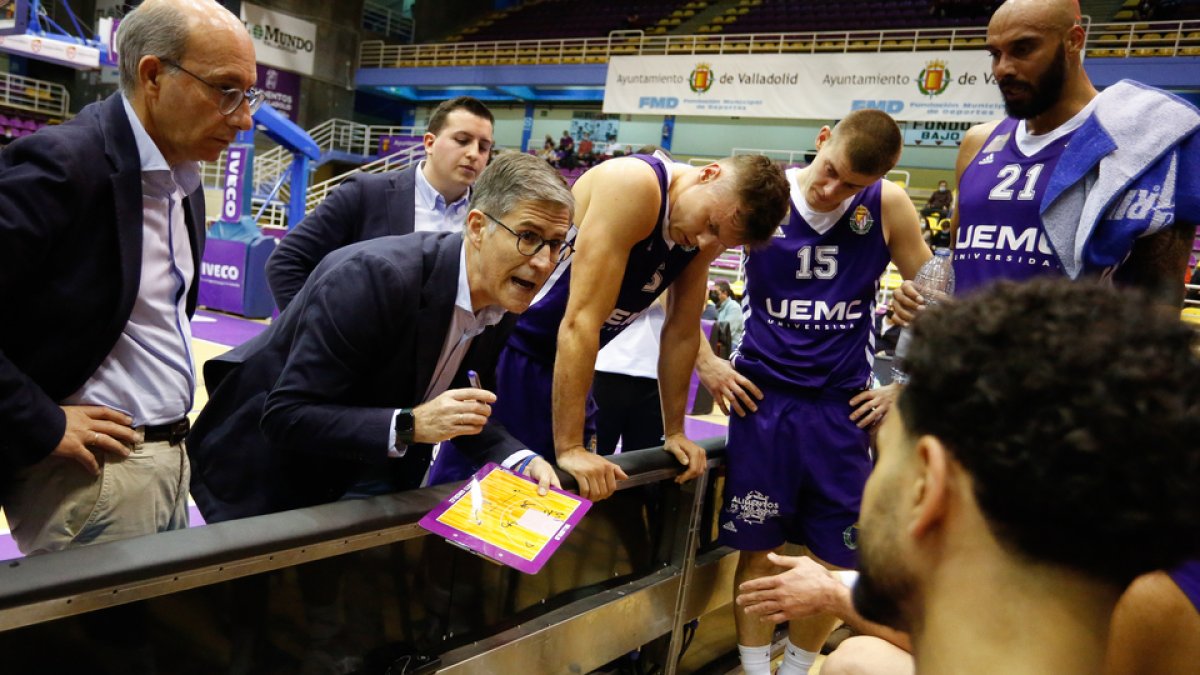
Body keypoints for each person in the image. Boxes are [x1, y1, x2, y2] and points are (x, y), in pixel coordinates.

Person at [739, 279, 1200, 675]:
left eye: (883, 450)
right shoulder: (1147, 582)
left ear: (929, 486)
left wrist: (838, 598)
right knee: (859, 658)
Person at [0, 0, 256, 555]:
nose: (243, 116)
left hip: (169, 460)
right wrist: (41, 421)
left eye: (249, 94)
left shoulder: (184, 183)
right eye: (226, 90)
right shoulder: (63, 165)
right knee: (92, 644)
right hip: (93, 477)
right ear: (153, 75)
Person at [186, 153, 569, 522]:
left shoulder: (502, 300)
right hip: (275, 477)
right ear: (476, 227)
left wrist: (521, 459)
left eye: (556, 243)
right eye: (528, 236)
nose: (543, 261)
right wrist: (410, 424)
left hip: (372, 468)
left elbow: (460, 414)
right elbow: (286, 416)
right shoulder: (375, 277)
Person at [695, 109, 929, 675]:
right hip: (763, 402)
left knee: (833, 557)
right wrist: (707, 362)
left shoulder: (888, 207)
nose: (831, 190)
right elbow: (684, 275)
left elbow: (941, 300)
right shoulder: (764, 195)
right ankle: (755, 671)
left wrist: (907, 385)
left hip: (842, 408)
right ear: (821, 141)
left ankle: (798, 669)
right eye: (829, 171)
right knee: (759, 553)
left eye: (852, 185)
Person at [432, 151, 789, 500]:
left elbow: (681, 331)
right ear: (709, 174)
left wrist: (676, 431)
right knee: (471, 501)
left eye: (722, 241)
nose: (705, 243)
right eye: (711, 225)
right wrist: (569, 446)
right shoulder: (635, 185)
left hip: (569, 369)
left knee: (546, 510)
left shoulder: (701, 233)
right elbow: (580, 320)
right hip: (513, 353)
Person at [894, 0, 1199, 322]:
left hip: (1068, 364)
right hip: (963, 361)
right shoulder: (977, 142)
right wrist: (921, 301)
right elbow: (960, 263)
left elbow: (1160, 289)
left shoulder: (1141, 143)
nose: (1003, 69)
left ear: (1074, 40)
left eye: (1023, 49)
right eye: (995, 54)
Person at [266, 96, 494, 311]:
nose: (474, 153)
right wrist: (316, 331)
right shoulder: (365, 193)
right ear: (429, 143)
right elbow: (285, 262)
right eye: (462, 141)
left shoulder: (490, 218)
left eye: (484, 147)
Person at [711, 278, 744, 347]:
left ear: (725, 293)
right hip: (719, 341)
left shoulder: (734, 307)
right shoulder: (716, 306)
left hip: (732, 344)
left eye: (716, 292)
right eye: (712, 292)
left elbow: (727, 332)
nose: (713, 295)